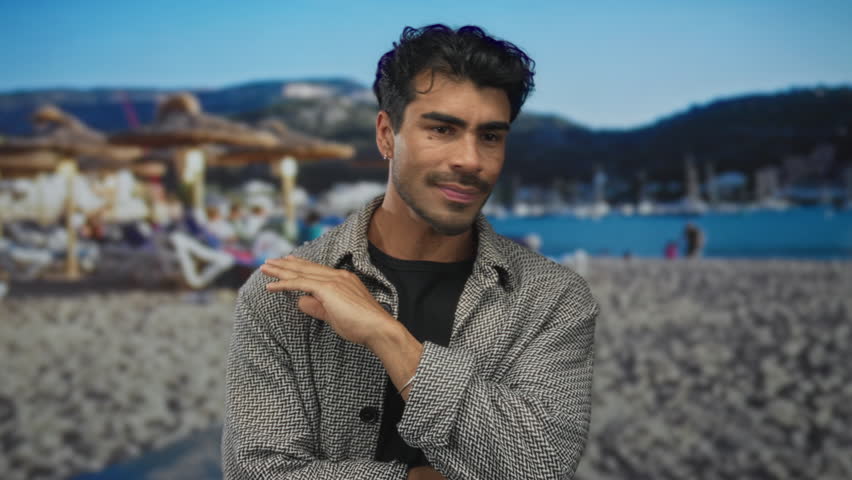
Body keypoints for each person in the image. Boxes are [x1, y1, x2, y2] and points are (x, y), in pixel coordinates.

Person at [222, 24, 598, 480]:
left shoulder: (553, 299)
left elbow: (541, 465)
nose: (471, 160)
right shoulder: (279, 294)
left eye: (491, 136)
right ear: (386, 134)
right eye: (442, 129)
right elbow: (255, 472)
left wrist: (388, 337)